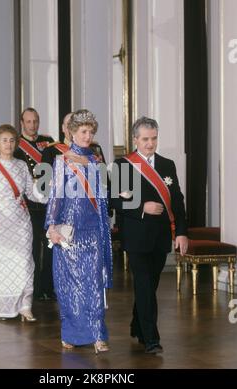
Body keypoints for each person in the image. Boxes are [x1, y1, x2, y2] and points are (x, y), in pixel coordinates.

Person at [111, 116, 188, 354]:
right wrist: (141, 207)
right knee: (143, 286)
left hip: (160, 236)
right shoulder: (123, 165)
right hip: (136, 236)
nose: (150, 143)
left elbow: (178, 201)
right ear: (135, 139)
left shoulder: (167, 164)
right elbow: (114, 200)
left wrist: (182, 233)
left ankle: (137, 325)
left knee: (149, 287)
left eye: (153, 139)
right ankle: (151, 337)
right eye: (145, 139)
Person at [45, 109, 113, 353]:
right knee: (70, 285)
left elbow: (105, 192)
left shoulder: (95, 160)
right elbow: (56, 196)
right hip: (70, 231)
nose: (87, 136)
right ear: (72, 133)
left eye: (90, 132)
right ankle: (72, 334)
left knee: (93, 283)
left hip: (93, 229)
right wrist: (52, 226)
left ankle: (97, 336)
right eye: (83, 131)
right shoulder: (62, 160)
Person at [0, 124, 38, 321]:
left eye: (12, 140)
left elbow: (32, 192)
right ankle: (2, 307)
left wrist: (53, 193)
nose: (8, 144)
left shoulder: (21, 165)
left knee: (24, 264)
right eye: (4, 140)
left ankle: (25, 306)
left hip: (21, 225)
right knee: (0, 266)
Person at [14, 107, 55, 300]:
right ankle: (35, 289)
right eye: (28, 122)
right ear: (22, 123)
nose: (32, 125)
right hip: (29, 203)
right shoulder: (16, 145)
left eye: (35, 121)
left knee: (50, 246)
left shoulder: (47, 142)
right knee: (30, 249)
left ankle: (48, 286)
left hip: (47, 201)